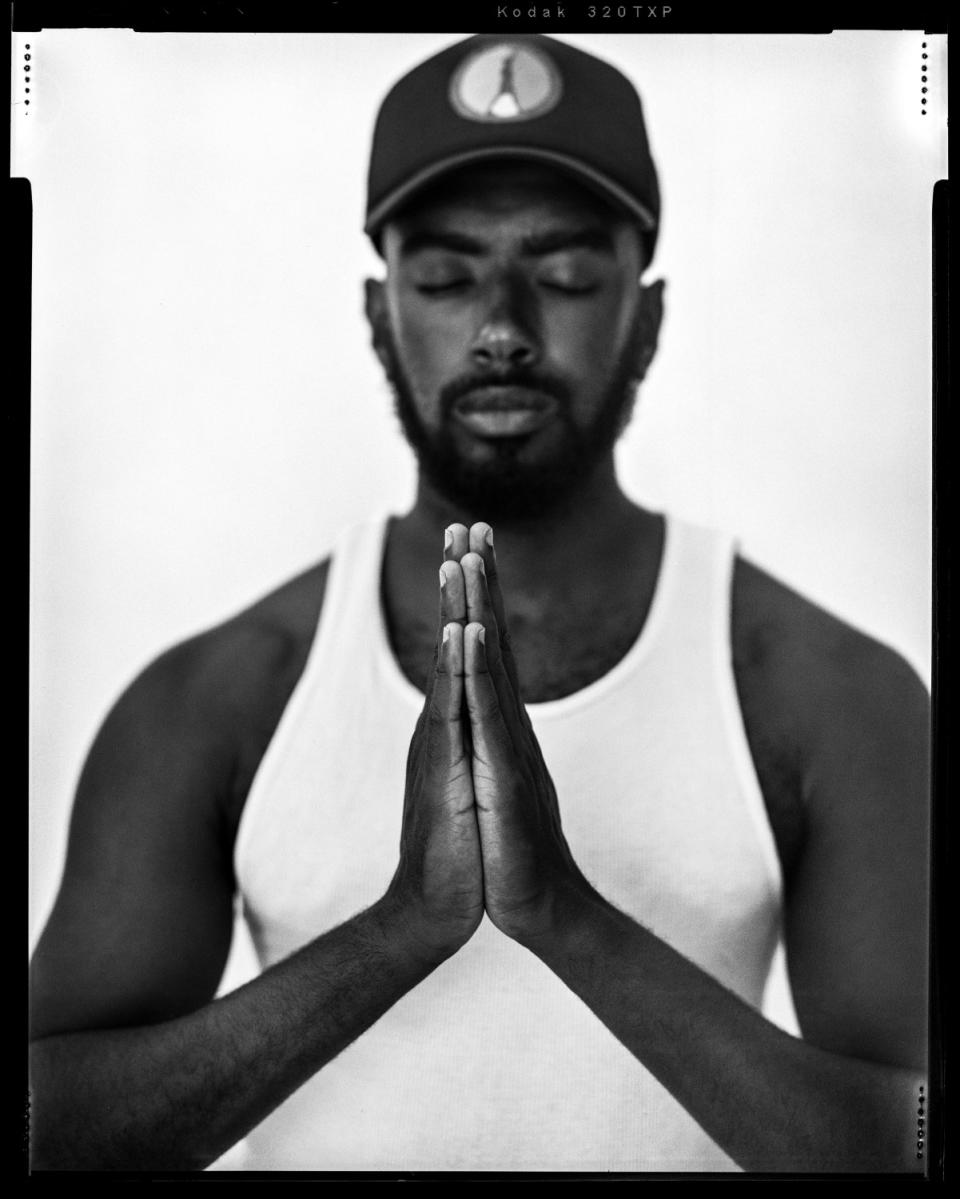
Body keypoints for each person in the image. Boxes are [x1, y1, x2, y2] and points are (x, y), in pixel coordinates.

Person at [28, 33, 929, 1173]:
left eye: (561, 273)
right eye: (448, 277)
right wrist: (403, 926)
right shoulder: (223, 693)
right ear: (377, 314)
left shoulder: (815, 685)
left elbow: (915, 1140)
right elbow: (45, 1132)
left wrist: (567, 918)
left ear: (645, 320)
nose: (502, 327)